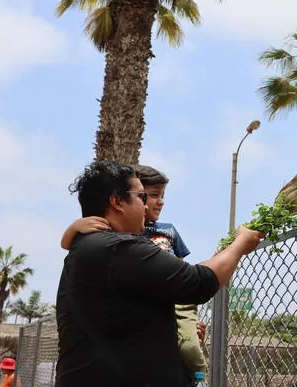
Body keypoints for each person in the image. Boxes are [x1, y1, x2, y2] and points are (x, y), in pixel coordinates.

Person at [55, 161, 263, 387]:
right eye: (141, 197)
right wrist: (240, 243)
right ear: (116, 201)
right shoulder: (117, 248)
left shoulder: (88, 247)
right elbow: (196, 282)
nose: (146, 206)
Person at [60, 164, 208, 374]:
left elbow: (183, 271)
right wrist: (74, 227)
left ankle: (195, 375)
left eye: (162, 196)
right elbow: (71, 244)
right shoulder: (118, 234)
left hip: (174, 295)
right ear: (119, 200)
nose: (158, 202)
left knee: (189, 345)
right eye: (148, 196)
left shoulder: (168, 230)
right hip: (151, 303)